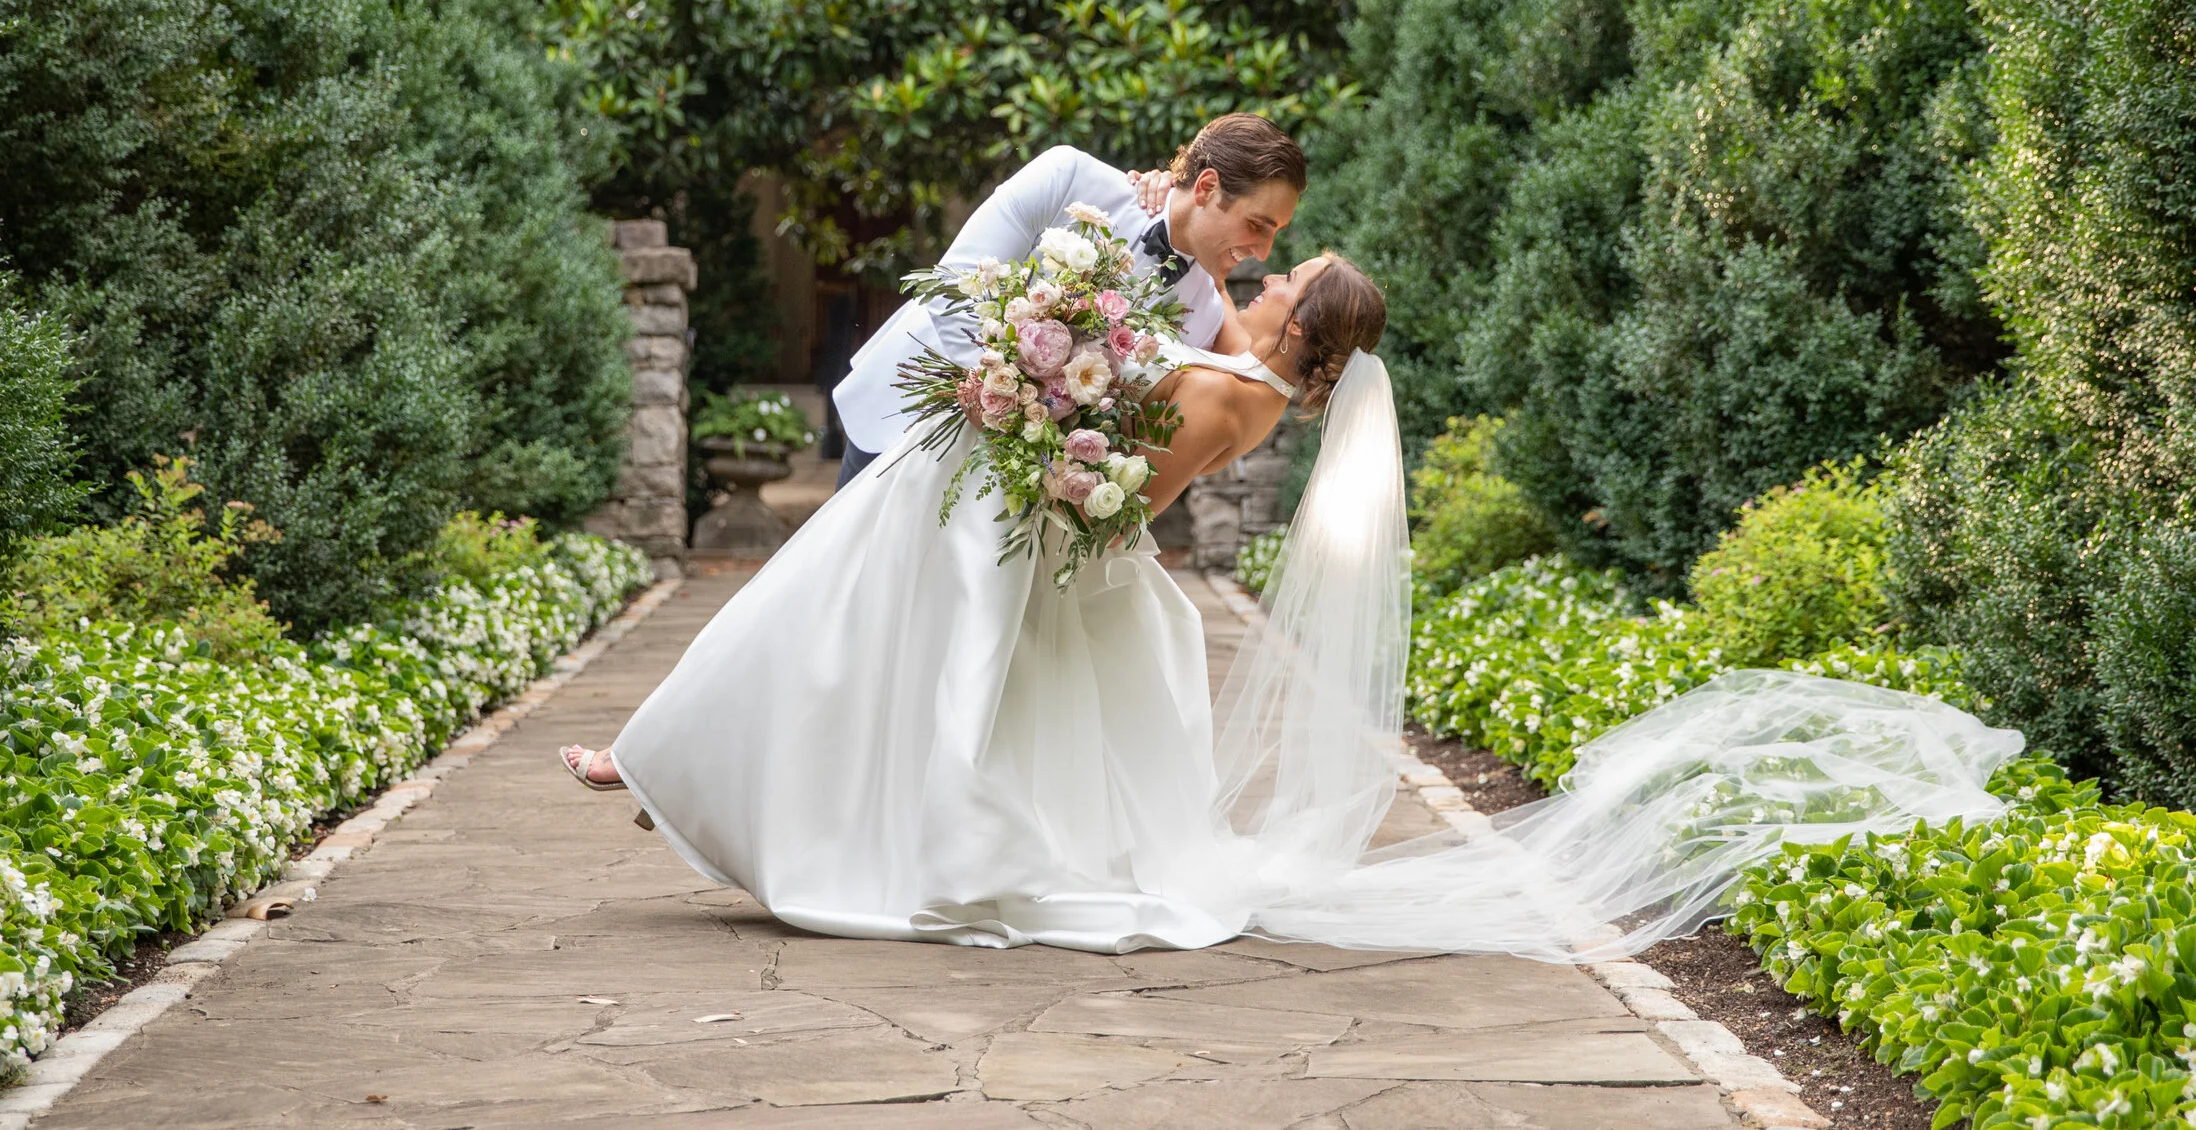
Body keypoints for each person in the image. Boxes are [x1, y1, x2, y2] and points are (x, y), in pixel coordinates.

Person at [563, 249, 2022, 963]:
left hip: (1039, 540)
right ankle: (692, 769)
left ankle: (698, 775)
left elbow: (1120, 497)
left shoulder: (1228, 395)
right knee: (837, 635)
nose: (1268, 269)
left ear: (1301, 323)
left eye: (1289, 272)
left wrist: (1036, 430)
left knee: (853, 646)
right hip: (1003, 515)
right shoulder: (1234, 362)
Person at [826, 113, 1305, 488]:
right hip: (905, 416)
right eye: (1257, 225)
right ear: (1206, 187)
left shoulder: (1202, 315)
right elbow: (956, 281)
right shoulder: (1070, 175)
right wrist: (1004, 406)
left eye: (1275, 232)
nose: (1264, 252)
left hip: (1005, 488)